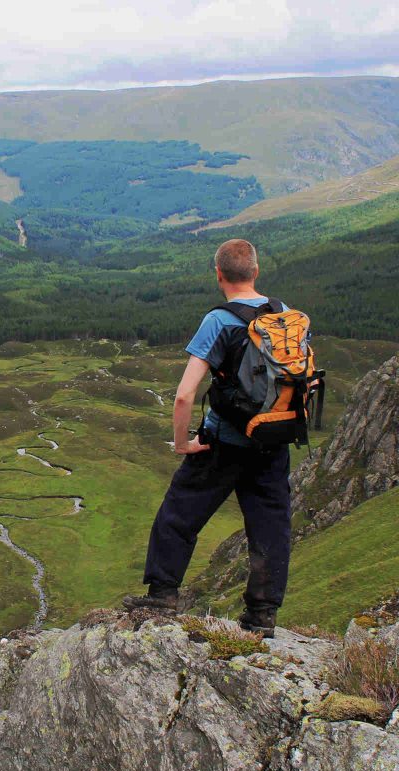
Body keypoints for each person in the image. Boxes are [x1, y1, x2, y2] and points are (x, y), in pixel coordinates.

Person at [123, 239, 291, 637]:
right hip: (272, 441)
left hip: (223, 442)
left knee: (178, 516)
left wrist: (183, 443)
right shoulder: (286, 314)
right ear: (256, 271)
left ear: (219, 275)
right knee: (270, 527)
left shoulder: (219, 321)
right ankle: (262, 616)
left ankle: (162, 597)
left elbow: (185, 395)